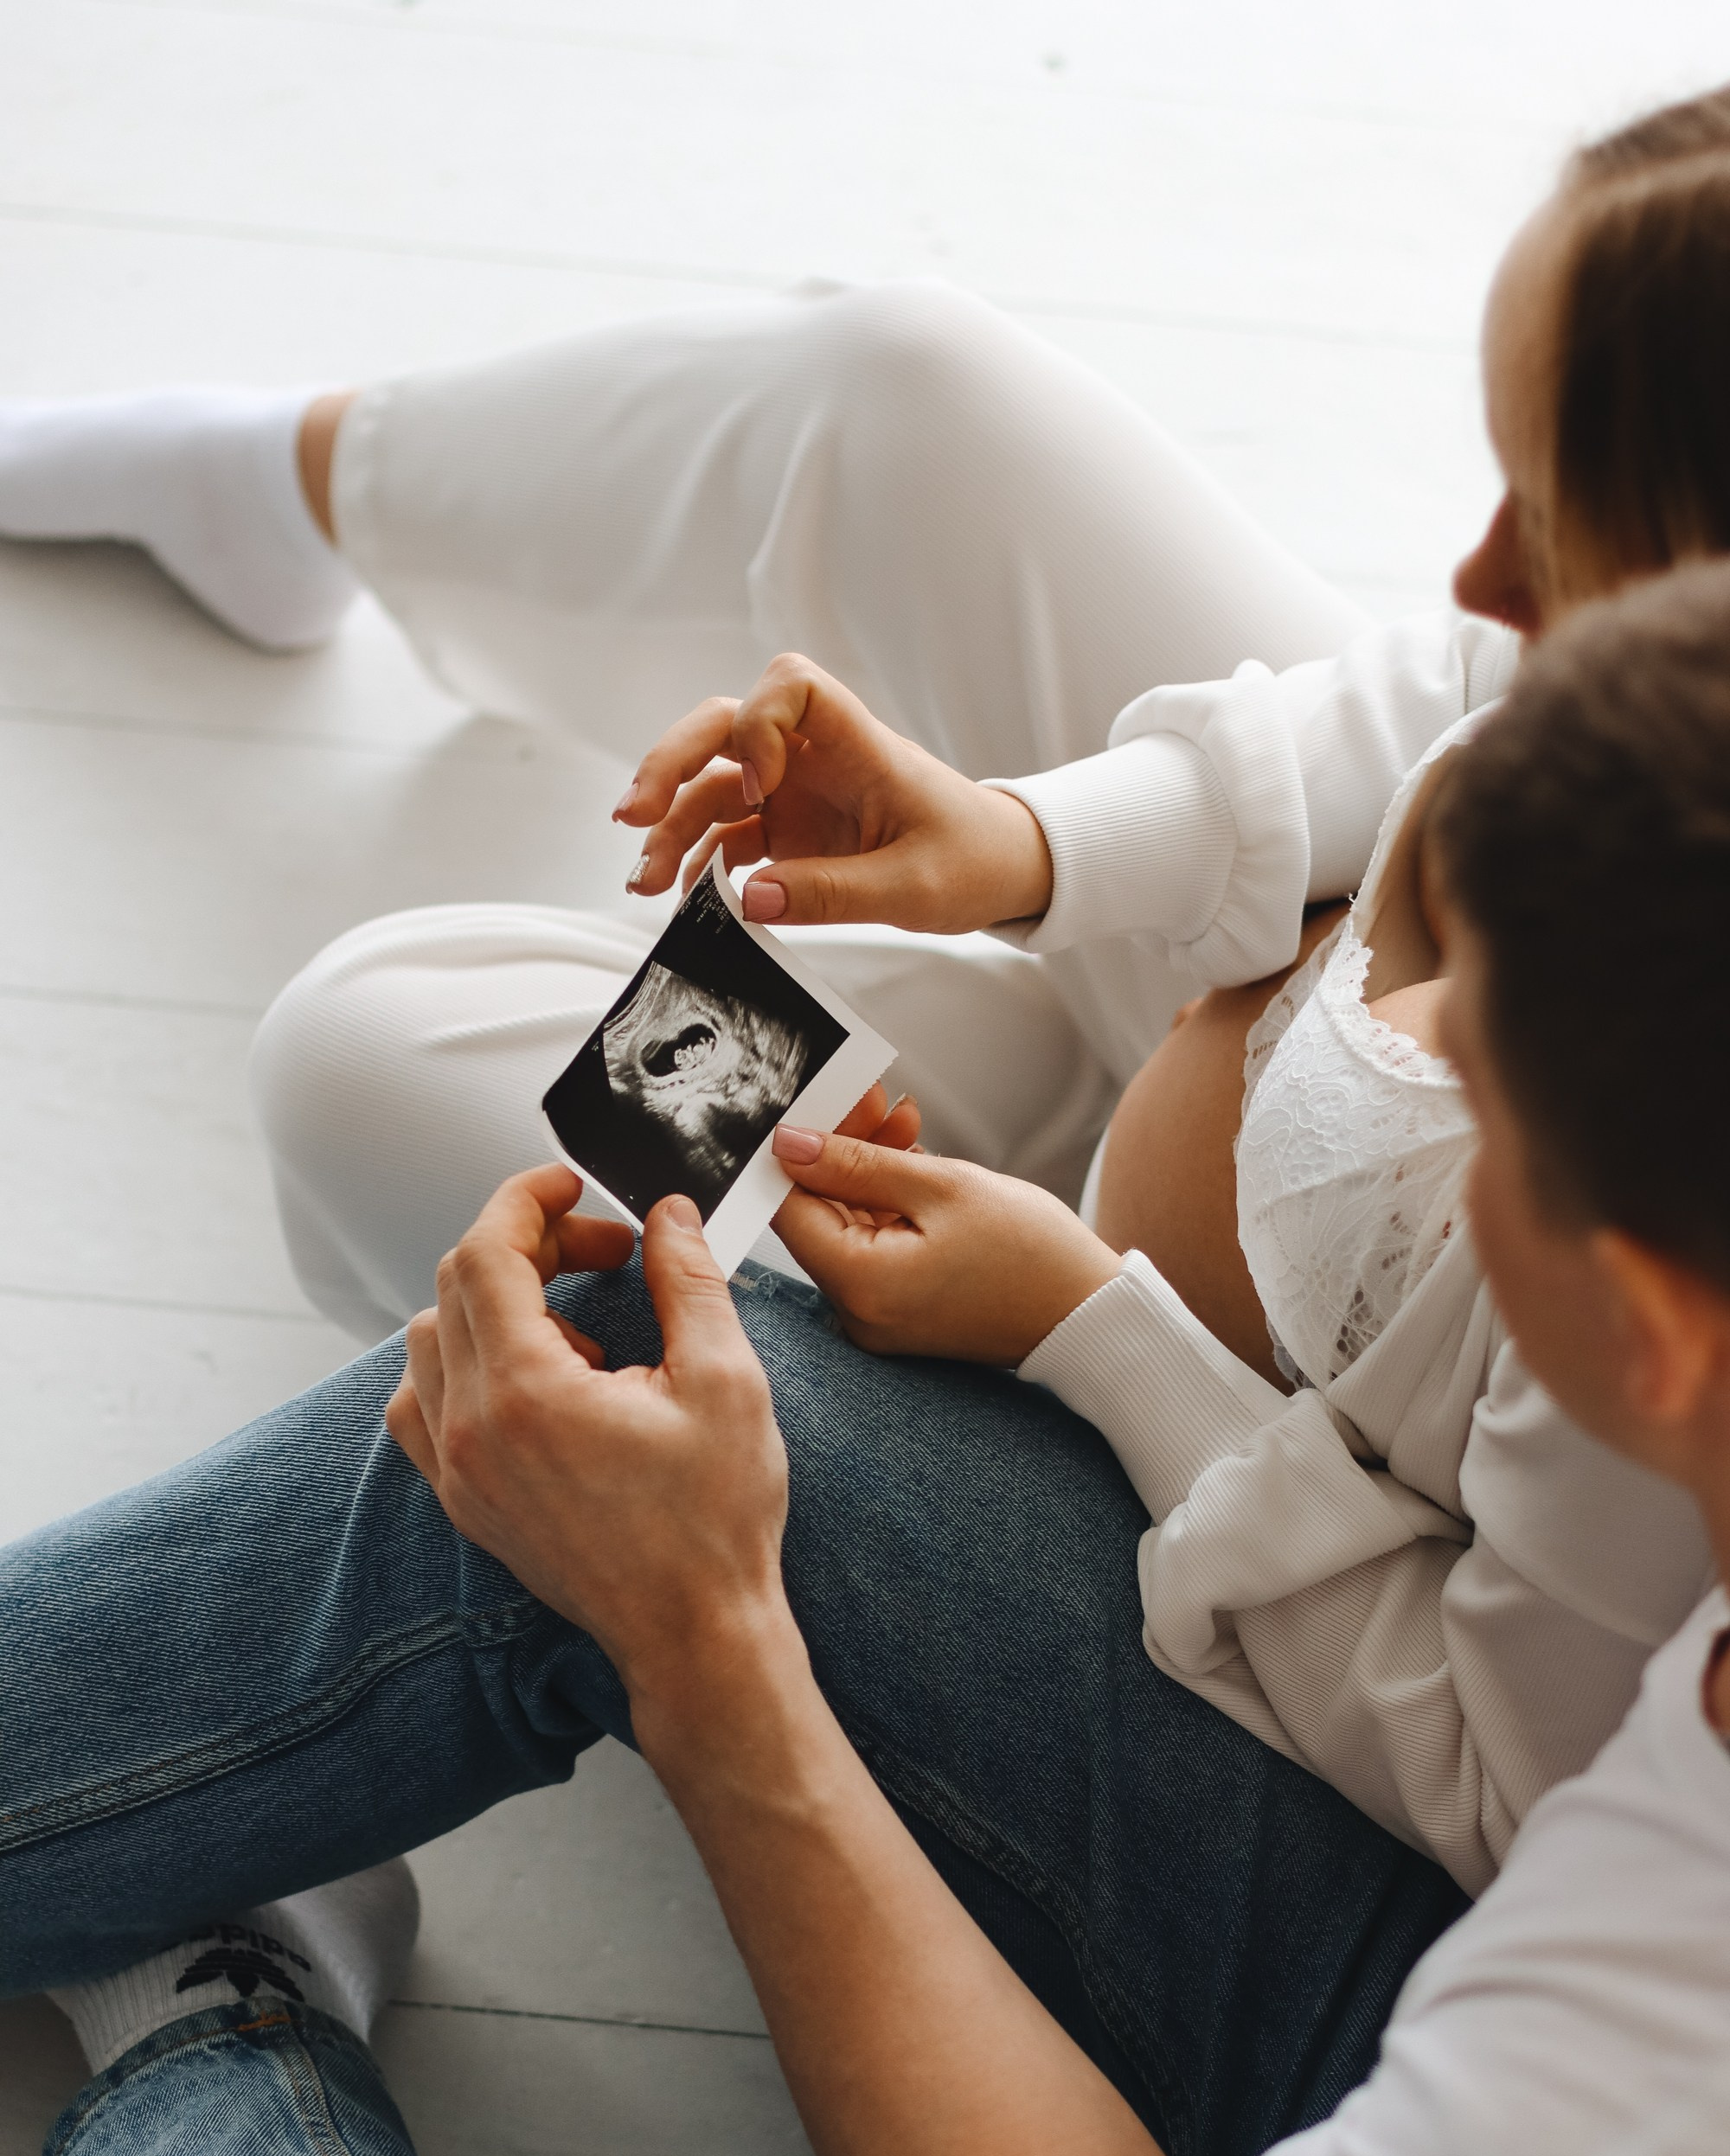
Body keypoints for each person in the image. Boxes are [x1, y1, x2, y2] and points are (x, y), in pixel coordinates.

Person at [27, 553, 1730, 2156]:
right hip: (1463, 2136)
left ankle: (225, 2020)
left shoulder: (1603, 2112)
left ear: (1645, 1325)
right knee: (645, 1378)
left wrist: (708, 1643)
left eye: (1471, 1133)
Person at [3, 87, 1724, 1888]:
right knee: (906, 391)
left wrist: (1082, 1325)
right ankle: (304, 479)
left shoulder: (1658, 1230)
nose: (1472, 571)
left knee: (371, 1055)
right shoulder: (1626, 686)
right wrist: (1019, 843)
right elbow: (1450, 673)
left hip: (1141, 1426)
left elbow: (1503, 1776)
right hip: (1231, 1009)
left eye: (1555, 523)